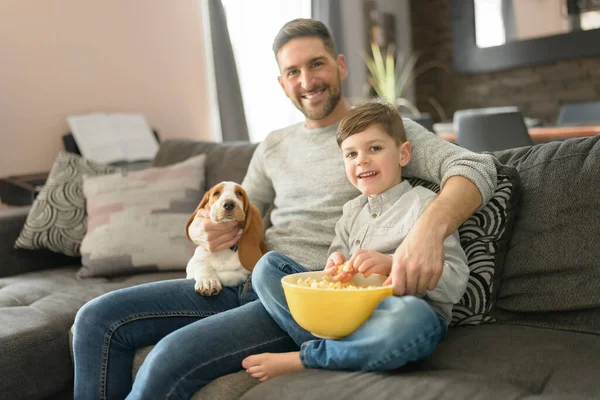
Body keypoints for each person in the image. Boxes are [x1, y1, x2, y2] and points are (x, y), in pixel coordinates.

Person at [72, 18, 497, 399]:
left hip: (308, 295)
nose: (307, 80)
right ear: (281, 83)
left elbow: (475, 165)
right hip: (243, 279)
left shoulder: (377, 126)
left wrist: (428, 231)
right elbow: (238, 208)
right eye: (293, 71)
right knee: (96, 319)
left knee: (169, 356)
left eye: (317, 64)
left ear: (340, 65)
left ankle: (321, 346)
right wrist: (199, 231)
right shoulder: (273, 144)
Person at [242, 100, 469, 381]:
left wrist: (392, 264)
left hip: (400, 310)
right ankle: (345, 350)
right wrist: (335, 267)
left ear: (403, 154)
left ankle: (311, 356)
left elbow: (456, 281)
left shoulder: (426, 206)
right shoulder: (351, 212)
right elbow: (335, 272)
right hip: (346, 314)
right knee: (268, 267)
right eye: (351, 154)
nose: (362, 159)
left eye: (374, 148)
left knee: (414, 320)